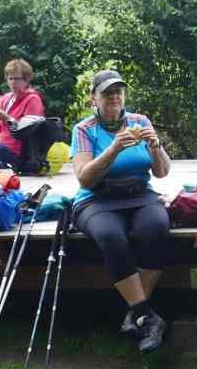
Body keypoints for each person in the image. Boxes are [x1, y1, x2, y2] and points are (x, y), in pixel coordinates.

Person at [70, 69, 173, 354]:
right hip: (97, 199)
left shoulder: (140, 121)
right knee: (110, 236)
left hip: (139, 194)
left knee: (156, 227)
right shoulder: (84, 129)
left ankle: (137, 313)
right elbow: (85, 179)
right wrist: (114, 149)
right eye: (107, 92)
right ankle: (146, 316)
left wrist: (155, 146)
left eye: (118, 91)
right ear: (94, 98)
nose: (114, 96)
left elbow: (162, 172)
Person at [0, 58, 47, 170]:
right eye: (10, 78)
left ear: (26, 80)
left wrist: (7, 119)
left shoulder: (33, 99)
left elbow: (29, 130)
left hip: (20, 153)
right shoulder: (5, 99)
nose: (13, 82)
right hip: (2, 148)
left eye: (17, 79)